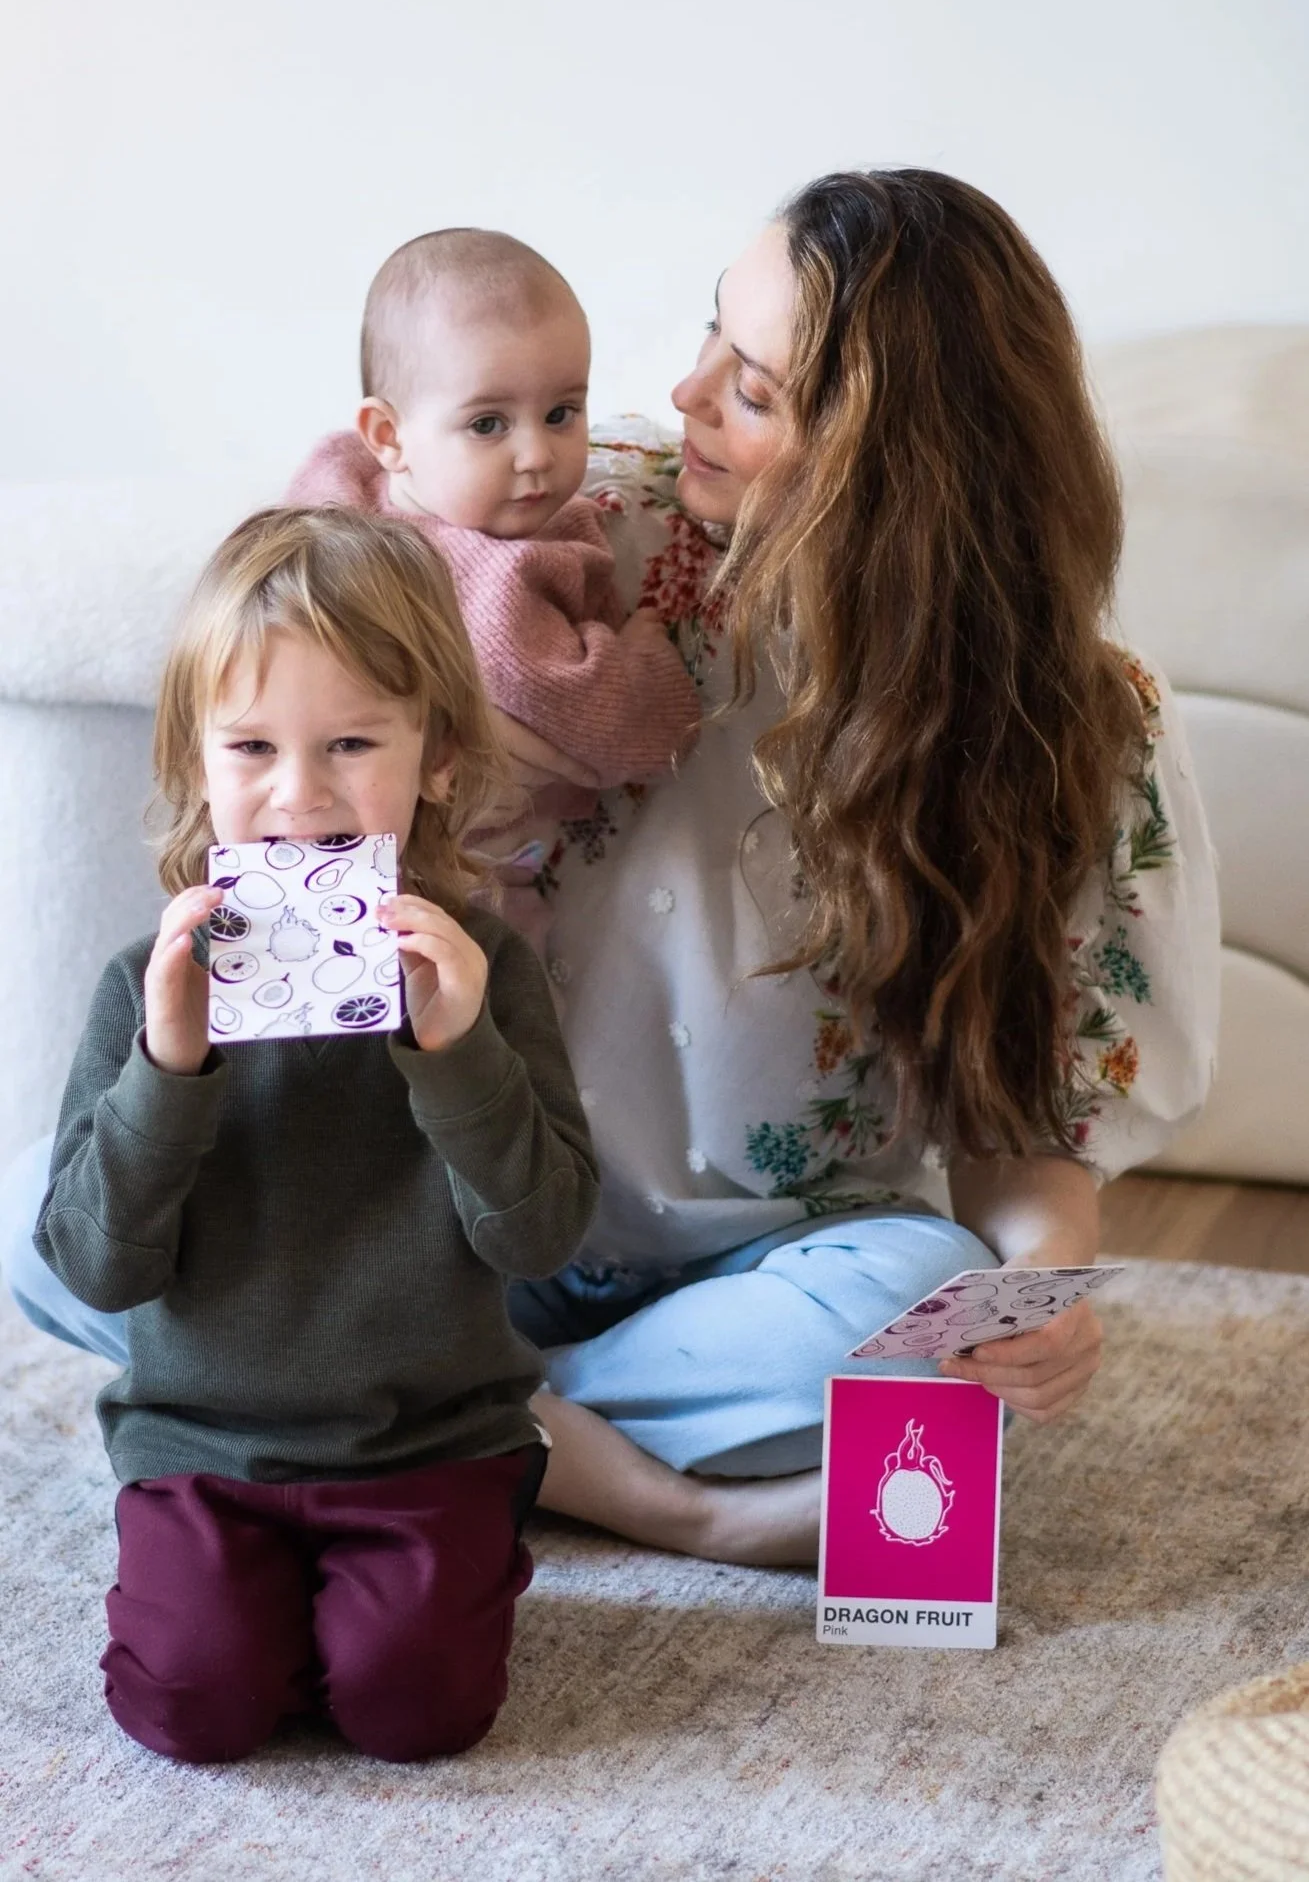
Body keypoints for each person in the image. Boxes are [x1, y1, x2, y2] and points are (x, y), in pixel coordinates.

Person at [2, 169, 1220, 1572]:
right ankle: (635, 1489)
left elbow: (1020, 1121)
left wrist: (1040, 1283)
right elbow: (310, 585)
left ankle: (359, 1411)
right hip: (430, 1229)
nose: (686, 390)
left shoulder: (1064, 727)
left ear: (900, 463)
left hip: (735, 1276)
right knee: (44, 1210)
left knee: (927, 1300)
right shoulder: (556, 540)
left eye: (754, 390)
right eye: (713, 332)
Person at [27, 504, 598, 1763]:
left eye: (350, 742)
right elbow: (94, 1266)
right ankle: (265, 1603)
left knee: (416, 1710)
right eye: (251, 747)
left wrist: (457, 1054)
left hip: (430, 1444)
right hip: (202, 1446)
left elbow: (546, 1234)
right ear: (196, 761)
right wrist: (169, 1067)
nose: (300, 795)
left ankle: (413, 1580)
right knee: (194, 1706)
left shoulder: (480, 971)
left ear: (436, 756)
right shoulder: (144, 981)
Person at [287, 227, 701, 940]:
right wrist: (643, 657)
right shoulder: (501, 579)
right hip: (444, 886)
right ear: (388, 435)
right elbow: (626, 732)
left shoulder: (334, 486)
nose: (536, 455)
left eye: (561, 413)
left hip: (299, 852)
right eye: (487, 424)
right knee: (498, 994)